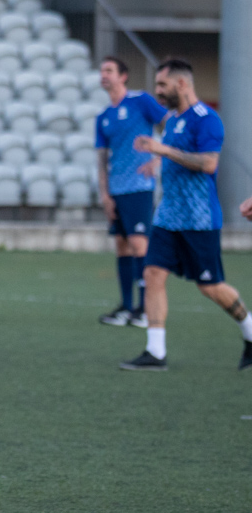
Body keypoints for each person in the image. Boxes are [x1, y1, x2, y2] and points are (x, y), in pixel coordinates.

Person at [120, 58, 252, 371]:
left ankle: (250, 329)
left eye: (162, 85)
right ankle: (156, 352)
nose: (158, 92)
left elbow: (207, 163)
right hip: (168, 217)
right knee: (152, 274)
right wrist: (157, 163)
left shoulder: (206, 119)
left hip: (198, 218)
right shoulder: (174, 120)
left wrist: (162, 151)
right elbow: (177, 157)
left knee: (210, 287)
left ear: (182, 84)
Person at [95, 56, 168, 328]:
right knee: (122, 246)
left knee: (140, 244)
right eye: (102, 70)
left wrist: (159, 158)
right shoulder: (103, 117)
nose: (104, 75)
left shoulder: (141, 101)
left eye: (109, 70)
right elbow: (101, 158)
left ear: (123, 76)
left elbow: (170, 125)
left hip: (139, 186)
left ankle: (144, 308)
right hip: (116, 190)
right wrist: (105, 194)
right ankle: (126, 307)